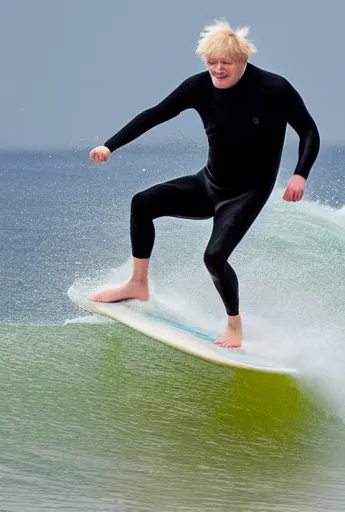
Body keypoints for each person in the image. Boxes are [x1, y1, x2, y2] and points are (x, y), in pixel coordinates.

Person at [87, 18, 320, 349]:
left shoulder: (274, 89)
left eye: (226, 63)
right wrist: (109, 145)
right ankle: (138, 284)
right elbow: (155, 114)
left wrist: (300, 173)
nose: (218, 70)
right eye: (212, 63)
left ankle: (235, 327)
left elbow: (309, 130)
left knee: (214, 258)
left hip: (247, 193)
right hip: (209, 184)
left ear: (242, 60)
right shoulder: (198, 86)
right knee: (143, 203)